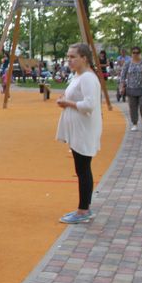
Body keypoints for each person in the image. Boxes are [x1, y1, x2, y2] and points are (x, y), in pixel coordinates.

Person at [55, 43, 103, 224]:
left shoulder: (88, 78)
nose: (69, 60)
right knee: (81, 168)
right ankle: (84, 208)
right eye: (68, 57)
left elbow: (89, 105)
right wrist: (66, 101)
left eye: (73, 57)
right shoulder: (78, 76)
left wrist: (68, 103)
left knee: (83, 170)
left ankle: (83, 210)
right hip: (78, 129)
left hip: (84, 130)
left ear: (84, 58)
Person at [119, 47, 142, 131]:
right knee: (133, 107)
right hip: (131, 88)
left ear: (140, 53)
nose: (135, 54)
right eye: (134, 52)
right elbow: (123, 76)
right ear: (131, 54)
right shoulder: (128, 63)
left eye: (137, 52)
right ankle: (134, 124)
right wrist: (122, 87)